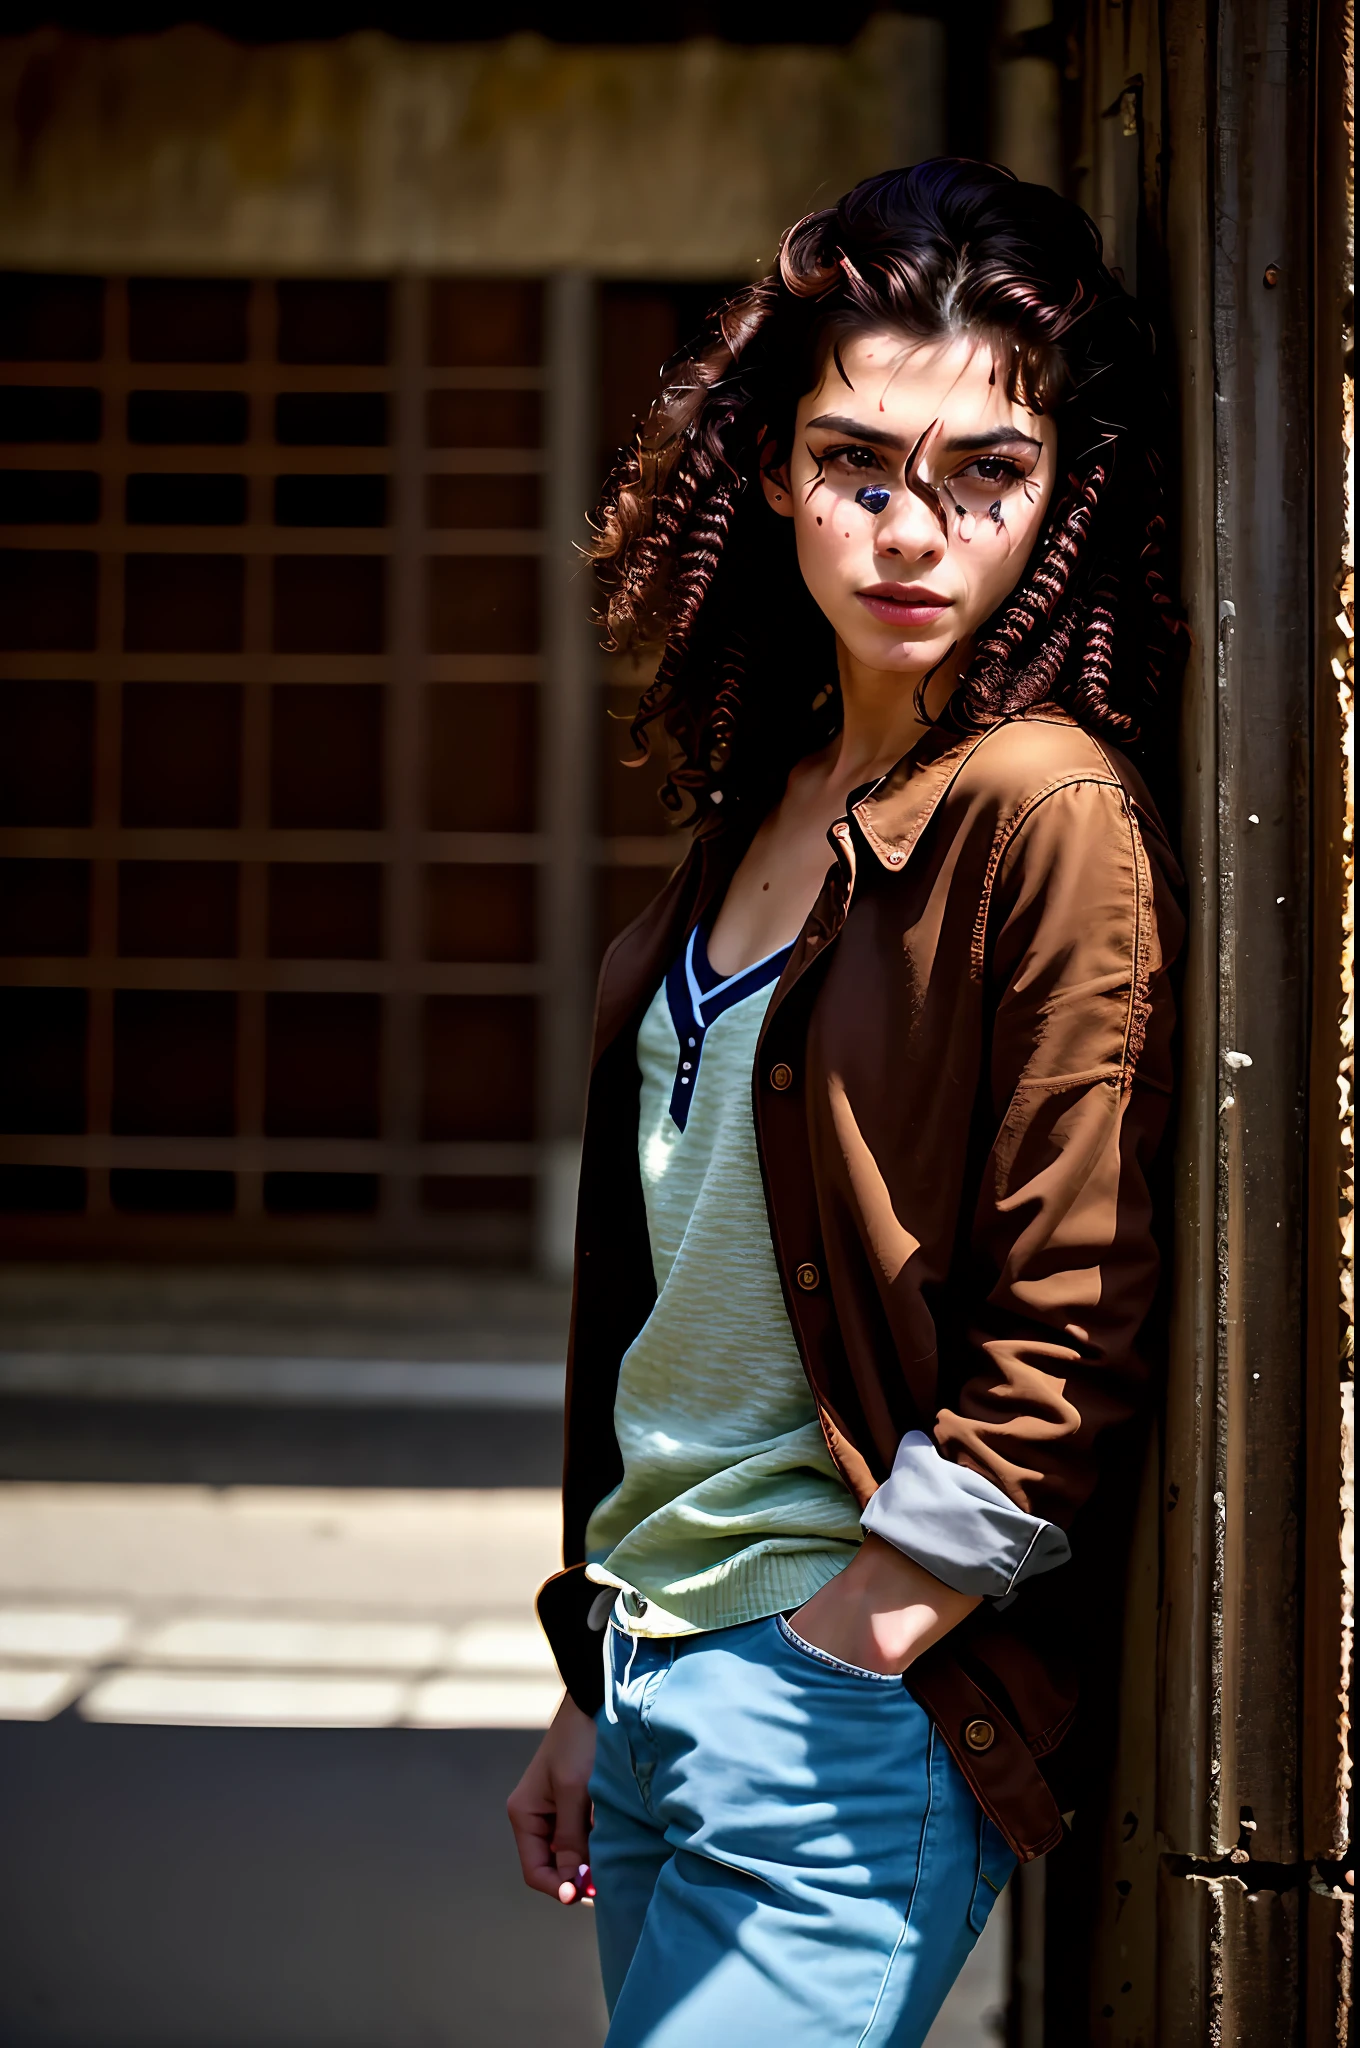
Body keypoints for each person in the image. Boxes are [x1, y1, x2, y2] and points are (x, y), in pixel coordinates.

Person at [507, 158, 1184, 2046]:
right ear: (771, 470)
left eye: (987, 472)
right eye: (857, 462)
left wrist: (861, 1635)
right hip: (656, 1666)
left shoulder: (1041, 811)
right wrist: (596, 1671)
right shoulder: (779, 789)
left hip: (833, 1701)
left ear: (1063, 504)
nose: (911, 527)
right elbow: (676, 1300)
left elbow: (1080, 1296)